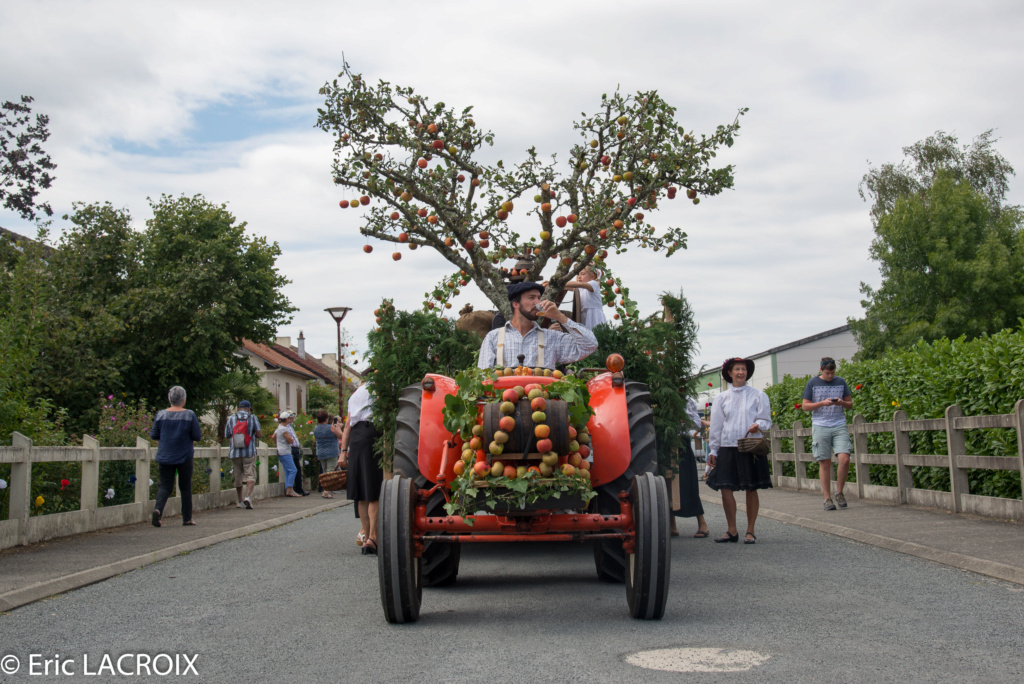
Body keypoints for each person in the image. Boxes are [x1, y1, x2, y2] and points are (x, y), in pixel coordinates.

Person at [707, 358, 772, 544]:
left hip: (750, 446)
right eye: (737, 369)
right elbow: (716, 426)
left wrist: (757, 425)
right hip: (728, 445)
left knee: (751, 488)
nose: (741, 372)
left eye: (743, 369)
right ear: (730, 372)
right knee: (725, 488)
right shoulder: (721, 398)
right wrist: (714, 449)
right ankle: (732, 529)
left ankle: (750, 531)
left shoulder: (759, 395)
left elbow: (766, 420)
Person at [477, 281, 598, 370]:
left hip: (543, 403)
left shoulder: (551, 338)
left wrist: (560, 317)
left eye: (539, 298)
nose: (538, 302)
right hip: (503, 403)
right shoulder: (493, 338)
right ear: (516, 304)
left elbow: (590, 345)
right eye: (531, 298)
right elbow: (483, 377)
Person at [801, 357, 854, 510]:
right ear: (821, 370)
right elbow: (805, 406)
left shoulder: (841, 381)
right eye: (827, 373)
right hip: (820, 425)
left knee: (844, 459)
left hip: (839, 424)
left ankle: (839, 492)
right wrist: (822, 403)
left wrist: (841, 402)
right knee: (825, 462)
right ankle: (827, 498)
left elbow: (850, 404)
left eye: (832, 373)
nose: (830, 376)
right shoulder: (812, 383)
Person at [340, 379, 383, 555]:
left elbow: (348, 424)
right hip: (374, 434)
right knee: (374, 490)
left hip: (356, 439)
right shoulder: (379, 389)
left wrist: (343, 451)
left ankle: (365, 536)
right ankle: (373, 537)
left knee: (361, 493)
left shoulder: (355, 395)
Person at [149, 385, 202, 527]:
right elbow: (197, 436)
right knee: (185, 487)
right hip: (184, 455)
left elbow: (154, 435)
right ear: (183, 399)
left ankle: (158, 510)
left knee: (165, 485)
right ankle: (187, 518)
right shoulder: (189, 415)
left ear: (170, 399)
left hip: (165, 455)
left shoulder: (161, 415)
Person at [670, 396, 711, 538]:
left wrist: (683, 420)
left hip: (681, 442)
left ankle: (702, 523)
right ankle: (672, 525)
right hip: (663, 440)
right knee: (665, 483)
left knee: (688, 483)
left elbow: (695, 422)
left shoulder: (686, 398)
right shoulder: (657, 394)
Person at [225, 399, 262, 509]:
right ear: (248, 408)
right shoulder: (252, 418)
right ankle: (248, 497)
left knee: (238, 476)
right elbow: (259, 434)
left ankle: (240, 500)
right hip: (248, 452)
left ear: (239, 408)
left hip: (235, 452)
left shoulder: (231, 418)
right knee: (250, 474)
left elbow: (227, 435)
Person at [560, 265, 608, 330]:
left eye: (582, 274)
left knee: (594, 334)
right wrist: (550, 284)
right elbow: (565, 287)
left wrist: (558, 282)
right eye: (578, 274)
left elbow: (579, 284)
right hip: (583, 316)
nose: (579, 277)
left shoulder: (594, 284)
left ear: (592, 277)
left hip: (593, 316)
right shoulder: (579, 289)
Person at [313, 410, 344, 499]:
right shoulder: (331, 428)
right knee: (330, 471)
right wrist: (338, 427)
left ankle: (325, 489)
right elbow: (341, 436)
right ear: (327, 418)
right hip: (331, 452)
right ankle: (326, 491)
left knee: (325, 471)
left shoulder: (316, 428)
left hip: (321, 452)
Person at [274, 412, 302, 497]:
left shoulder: (279, 427)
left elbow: (273, 436)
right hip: (285, 451)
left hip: (281, 450)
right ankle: (290, 489)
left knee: (287, 470)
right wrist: (291, 439)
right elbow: (290, 440)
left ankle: (288, 489)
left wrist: (277, 444)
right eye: (289, 418)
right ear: (286, 419)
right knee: (293, 470)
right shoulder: (284, 429)